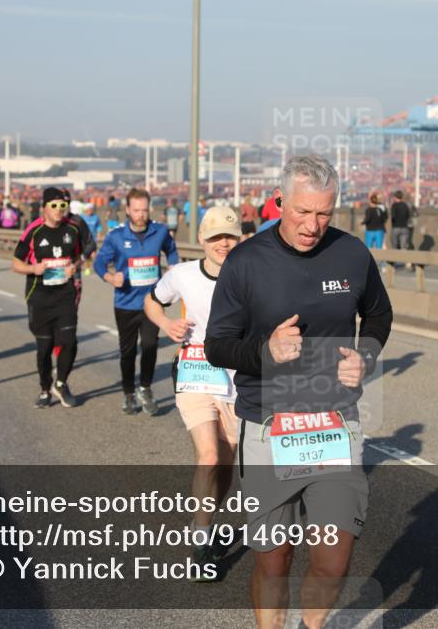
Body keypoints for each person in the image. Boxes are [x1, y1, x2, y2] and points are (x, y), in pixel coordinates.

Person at [205, 155, 393, 629]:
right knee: (274, 560)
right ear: (279, 202)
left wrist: (364, 357)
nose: (312, 226)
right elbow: (217, 346)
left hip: (334, 425)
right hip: (268, 427)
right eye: (301, 212)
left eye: (324, 214)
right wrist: (265, 351)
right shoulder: (246, 262)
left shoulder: (351, 254)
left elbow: (378, 316)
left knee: (332, 562)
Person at [143, 205, 242, 575]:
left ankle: (208, 521)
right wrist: (166, 324)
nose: (223, 244)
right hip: (196, 372)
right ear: (201, 239)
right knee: (209, 456)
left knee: (227, 467)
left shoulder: (251, 276)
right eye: (216, 237)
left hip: (236, 380)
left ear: (240, 237)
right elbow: (151, 300)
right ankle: (200, 542)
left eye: (230, 236)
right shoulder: (182, 275)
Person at [94, 188, 179, 414]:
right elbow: (99, 264)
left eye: (144, 210)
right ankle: (128, 393)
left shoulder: (159, 232)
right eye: (136, 210)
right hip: (125, 303)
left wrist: (173, 268)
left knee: (150, 345)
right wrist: (111, 277)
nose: (141, 214)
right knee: (128, 351)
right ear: (127, 210)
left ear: (149, 209)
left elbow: (171, 251)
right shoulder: (116, 236)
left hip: (152, 302)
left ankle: (146, 387)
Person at [12, 187, 84, 408]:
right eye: (54, 206)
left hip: (65, 294)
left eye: (63, 206)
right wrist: (34, 269)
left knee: (69, 342)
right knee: (44, 347)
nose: (59, 210)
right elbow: (15, 263)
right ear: (44, 207)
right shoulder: (33, 231)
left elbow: (79, 256)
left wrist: (74, 266)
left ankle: (61, 383)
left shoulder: (72, 229)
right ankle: (45, 388)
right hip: (39, 296)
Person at [389, 189, 412, 269]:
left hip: (396, 227)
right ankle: (407, 263)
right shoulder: (406, 205)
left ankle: (393, 264)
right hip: (405, 227)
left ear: (395, 197)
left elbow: (393, 217)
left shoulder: (394, 206)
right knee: (403, 246)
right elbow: (408, 216)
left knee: (394, 246)